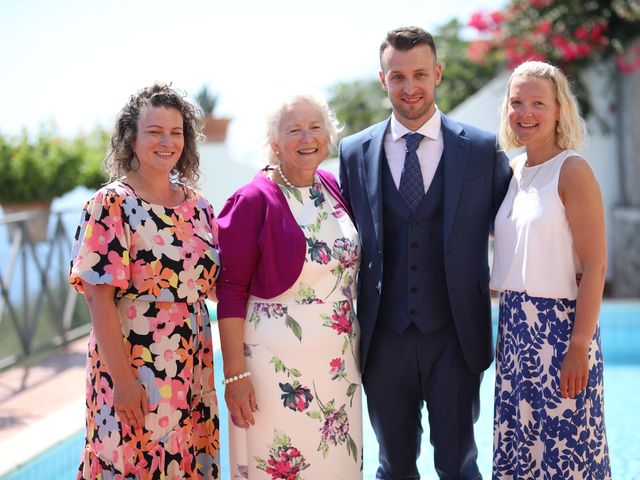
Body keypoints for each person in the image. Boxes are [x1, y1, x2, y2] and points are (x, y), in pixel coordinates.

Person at [339, 26, 511, 478]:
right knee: (393, 465)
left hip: (454, 333)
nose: (409, 87)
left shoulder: (480, 148)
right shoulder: (354, 152)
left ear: (437, 73)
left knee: (458, 463)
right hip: (384, 336)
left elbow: (516, 220)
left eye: (419, 74)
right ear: (383, 80)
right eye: (398, 77)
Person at [69, 84, 221, 479]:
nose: (166, 141)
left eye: (176, 132)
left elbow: (216, 285)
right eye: (154, 131)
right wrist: (122, 380)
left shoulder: (199, 205)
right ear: (131, 138)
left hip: (192, 364)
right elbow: (97, 298)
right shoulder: (111, 203)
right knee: (129, 461)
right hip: (135, 365)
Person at [216, 93, 363, 478]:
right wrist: (234, 375)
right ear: (274, 142)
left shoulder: (330, 187)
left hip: (339, 369)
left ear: (328, 136)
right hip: (278, 375)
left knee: (336, 466)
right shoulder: (251, 200)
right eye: (293, 129)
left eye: (315, 127)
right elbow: (229, 291)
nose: (307, 137)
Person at [490, 60, 611, 478]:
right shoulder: (513, 171)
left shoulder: (573, 170)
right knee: (521, 451)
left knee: (568, 452)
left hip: (560, 331)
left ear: (559, 109)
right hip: (513, 331)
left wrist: (579, 347)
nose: (526, 113)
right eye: (517, 102)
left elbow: (596, 266)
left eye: (538, 103)